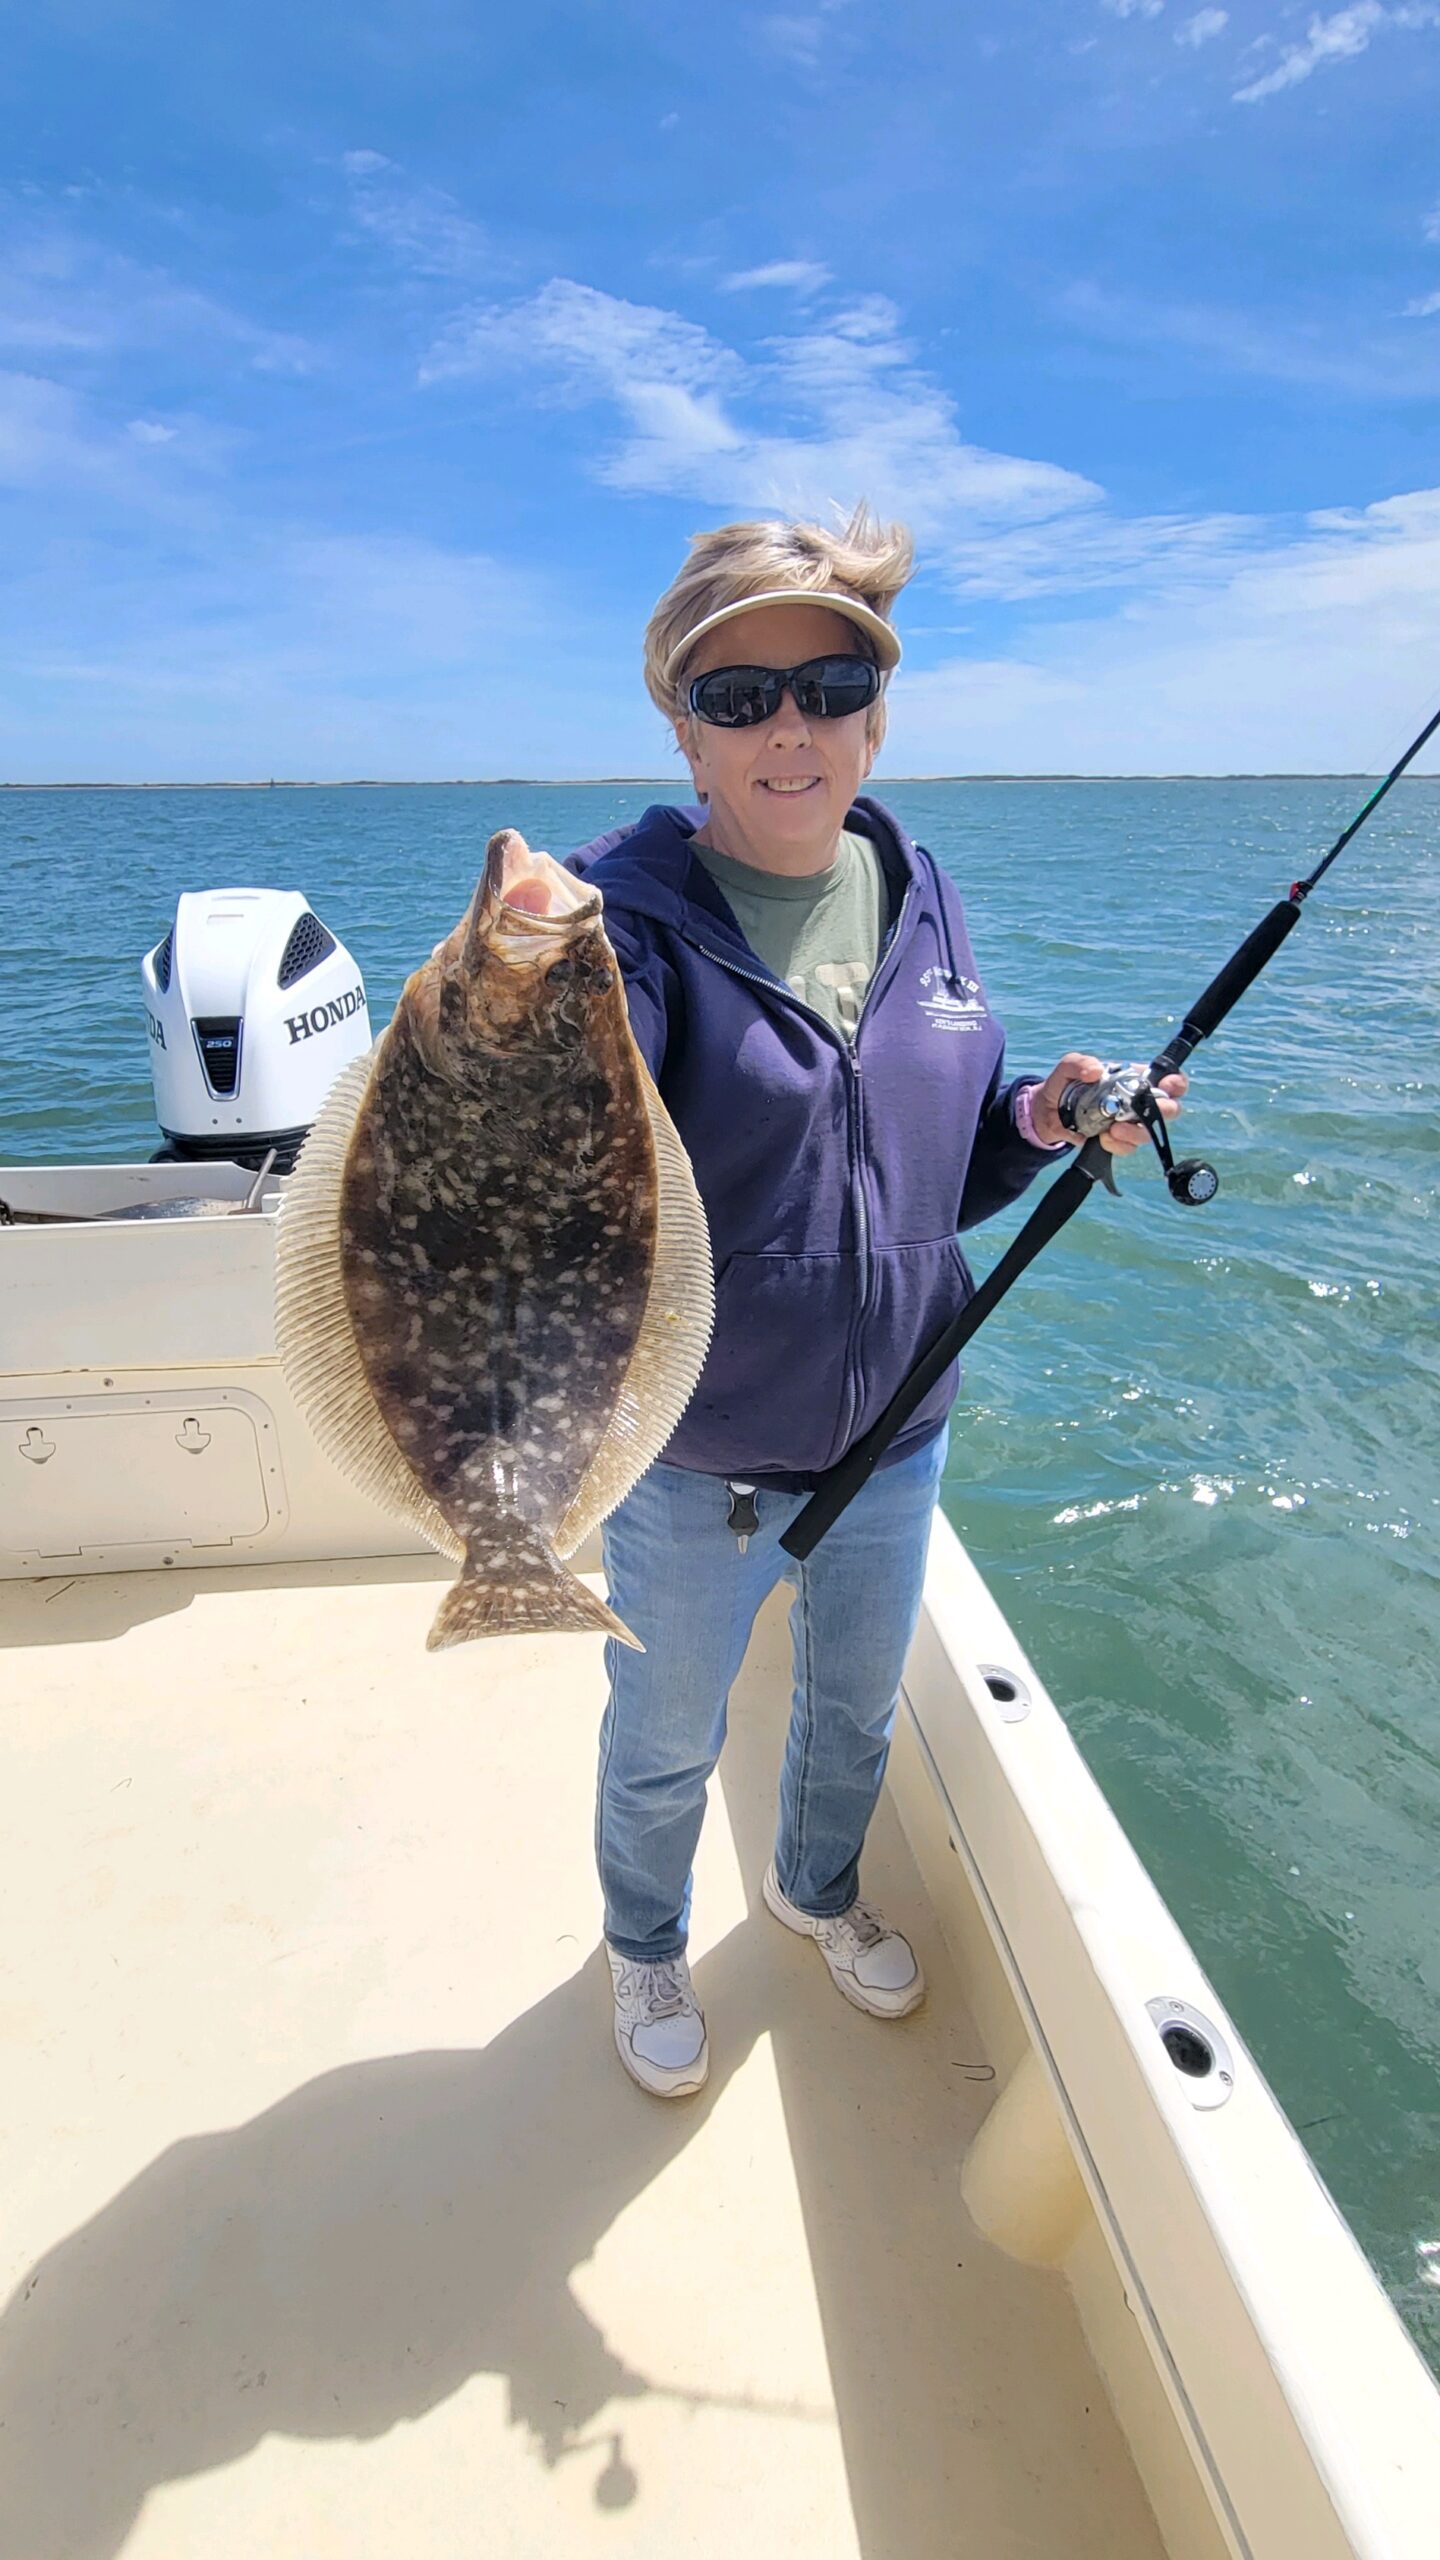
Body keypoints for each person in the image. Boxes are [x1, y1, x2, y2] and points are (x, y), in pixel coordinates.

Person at [568, 507, 1185, 2098]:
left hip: (898, 1429)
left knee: (852, 1719)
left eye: (830, 686)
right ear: (683, 728)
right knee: (666, 1740)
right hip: (697, 1454)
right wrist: (534, 976)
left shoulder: (924, 894)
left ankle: (816, 1888)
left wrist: (1050, 1117)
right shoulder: (618, 926)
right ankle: (644, 1944)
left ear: (877, 715)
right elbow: (577, 1133)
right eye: (739, 697)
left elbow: (938, 1163)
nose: (790, 728)